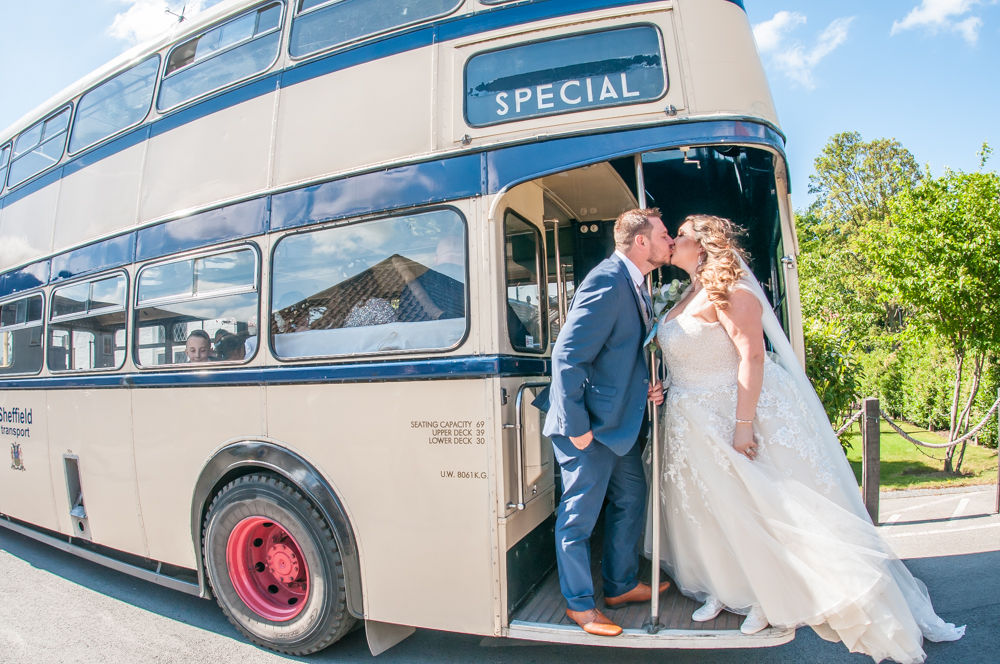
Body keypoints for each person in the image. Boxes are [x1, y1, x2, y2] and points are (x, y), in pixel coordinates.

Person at [646, 214, 964, 661]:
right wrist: (661, 384)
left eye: (680, 235)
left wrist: (743, 425)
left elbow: (752, 356)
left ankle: (764, 597)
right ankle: (723, 587)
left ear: (702, 246)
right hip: (687, 418)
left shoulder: (731, 290)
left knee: (752, 508)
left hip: (725, 414)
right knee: (709, 510)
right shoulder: (685, 293)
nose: (672, 241)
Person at [541, 208, 673, 636]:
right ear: (641, 241)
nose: (669, 240)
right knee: (578, 519)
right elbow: (567, 356)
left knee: (632, 498)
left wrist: (646, 389)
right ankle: (579, 606)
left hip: (616, 428)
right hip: (588, 429)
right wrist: (578, 427)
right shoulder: (607, 280)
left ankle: (618, 586)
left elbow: (618, 355)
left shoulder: (635, 284)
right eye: (664, 234)